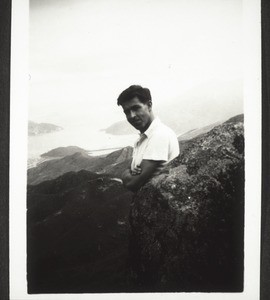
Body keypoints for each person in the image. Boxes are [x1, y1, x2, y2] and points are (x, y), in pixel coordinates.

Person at [117, 85, 179, 192]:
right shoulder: (144, 138)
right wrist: (128, 173)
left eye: (136, 108)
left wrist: (126, 174)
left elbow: (132, 183)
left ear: (149, 105)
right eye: (127, 112)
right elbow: (130, 175)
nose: (132, 115)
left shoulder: (159, 134)